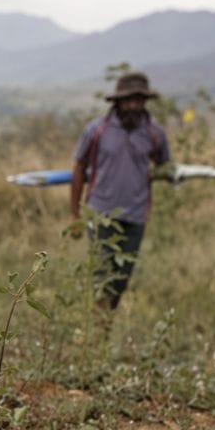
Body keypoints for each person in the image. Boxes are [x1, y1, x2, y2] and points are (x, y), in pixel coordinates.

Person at [70, 71, 170, 310]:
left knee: (120, 281)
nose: (134, 105)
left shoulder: (155, 134)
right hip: (101, 213)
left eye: (139, 100)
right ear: (118, 101)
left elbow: (163, 165)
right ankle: (96, 336)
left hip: (135, 217)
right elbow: (78, 167)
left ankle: (103, 329)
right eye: (129, 100)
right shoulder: (97, 130)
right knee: (102, 276)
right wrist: (75, 215)